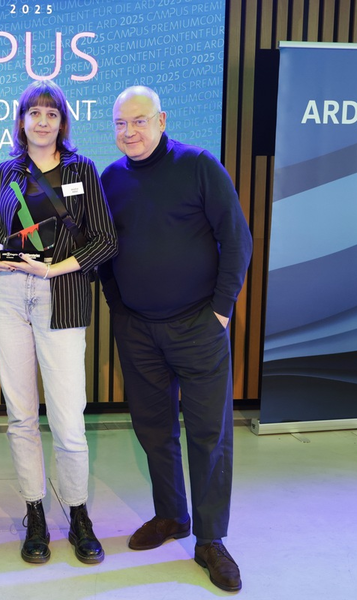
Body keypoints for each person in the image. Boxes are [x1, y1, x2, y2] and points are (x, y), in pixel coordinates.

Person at [98, 85, 253, 592]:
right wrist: (120, 310)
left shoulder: (199, 165)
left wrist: (221, 312)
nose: (129, 132)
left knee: (209, 435)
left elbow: (237, 239)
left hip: (198, 326)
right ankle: (172, 517)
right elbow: (105, 250)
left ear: (161, 120)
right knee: (153, 430)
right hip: (137, 330)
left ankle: (210, 539)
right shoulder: (110, 179)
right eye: (121, 124)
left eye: (139, 121)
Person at [0, 80, 118, 565]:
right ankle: (34, 512)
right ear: (20, 121)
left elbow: (104, 240)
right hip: (9, 298)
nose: (41, 121)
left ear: (62, 122)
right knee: (21, 415)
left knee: (68, 416)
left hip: (62, 293)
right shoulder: (1, 173)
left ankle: (77, 513)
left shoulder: (82, 169)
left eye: (50, 113)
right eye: (33, 112)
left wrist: (54, 268)